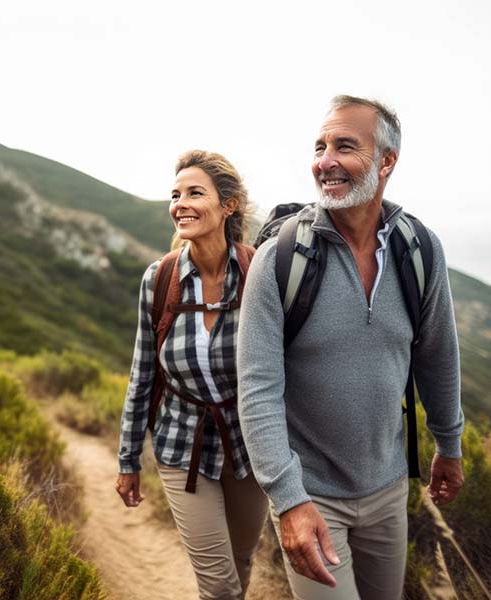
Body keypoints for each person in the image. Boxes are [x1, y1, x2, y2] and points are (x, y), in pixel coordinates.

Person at [237, 95, 465, 600]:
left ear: (386, 161)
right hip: (311, 494)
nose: (325, 161)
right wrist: (289, 500)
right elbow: (257, 391)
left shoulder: (420, 249)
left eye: (344, 146)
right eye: (319, 147)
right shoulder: (279, 259)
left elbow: (437, 357)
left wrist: (449, 443)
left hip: (388, 489)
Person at [115, 150, 268, 600]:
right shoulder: (159, 279)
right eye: (175, 194)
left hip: (249, 445)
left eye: (194, 193)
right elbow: (142, 373)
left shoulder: (260, 273)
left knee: (241, 560)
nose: (180, 202)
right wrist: (128, 460)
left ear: (229, 205)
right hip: (182, 445)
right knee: (219, 586)